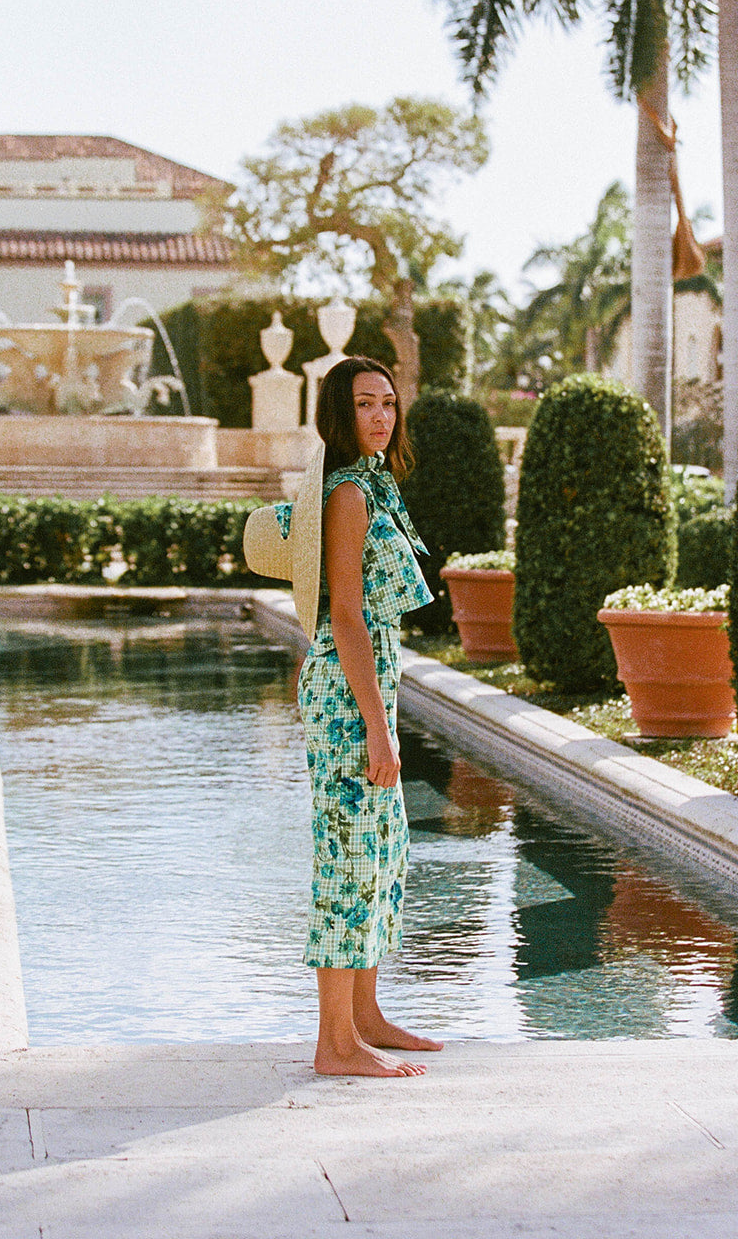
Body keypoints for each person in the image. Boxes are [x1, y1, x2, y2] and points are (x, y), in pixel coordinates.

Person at [297, 355, 442, 1078]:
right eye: (365, 404)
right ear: (339, 413)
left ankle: (366, 1017)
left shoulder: (373, 483)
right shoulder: (348, 495)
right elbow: (346, 618)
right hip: (347, 686)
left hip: (367, 681)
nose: (381, 415)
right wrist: (378, 727)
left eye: (388, 402)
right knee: (348, 857)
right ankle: (335, 1044)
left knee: (381, 848)